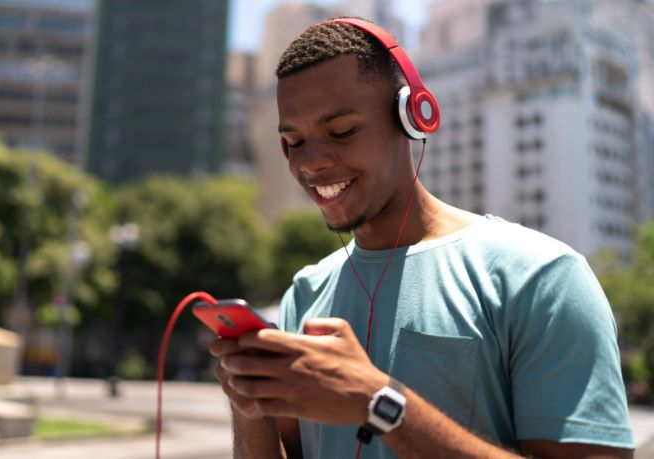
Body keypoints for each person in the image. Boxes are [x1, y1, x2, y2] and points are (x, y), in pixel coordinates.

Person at [209, 17, 634, 459]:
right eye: (293, 141)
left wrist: (377, 402)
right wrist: (250, 405)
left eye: (341, 132)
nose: (310, 163)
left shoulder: (542, 279)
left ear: (413, 116)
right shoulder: (305, 292)